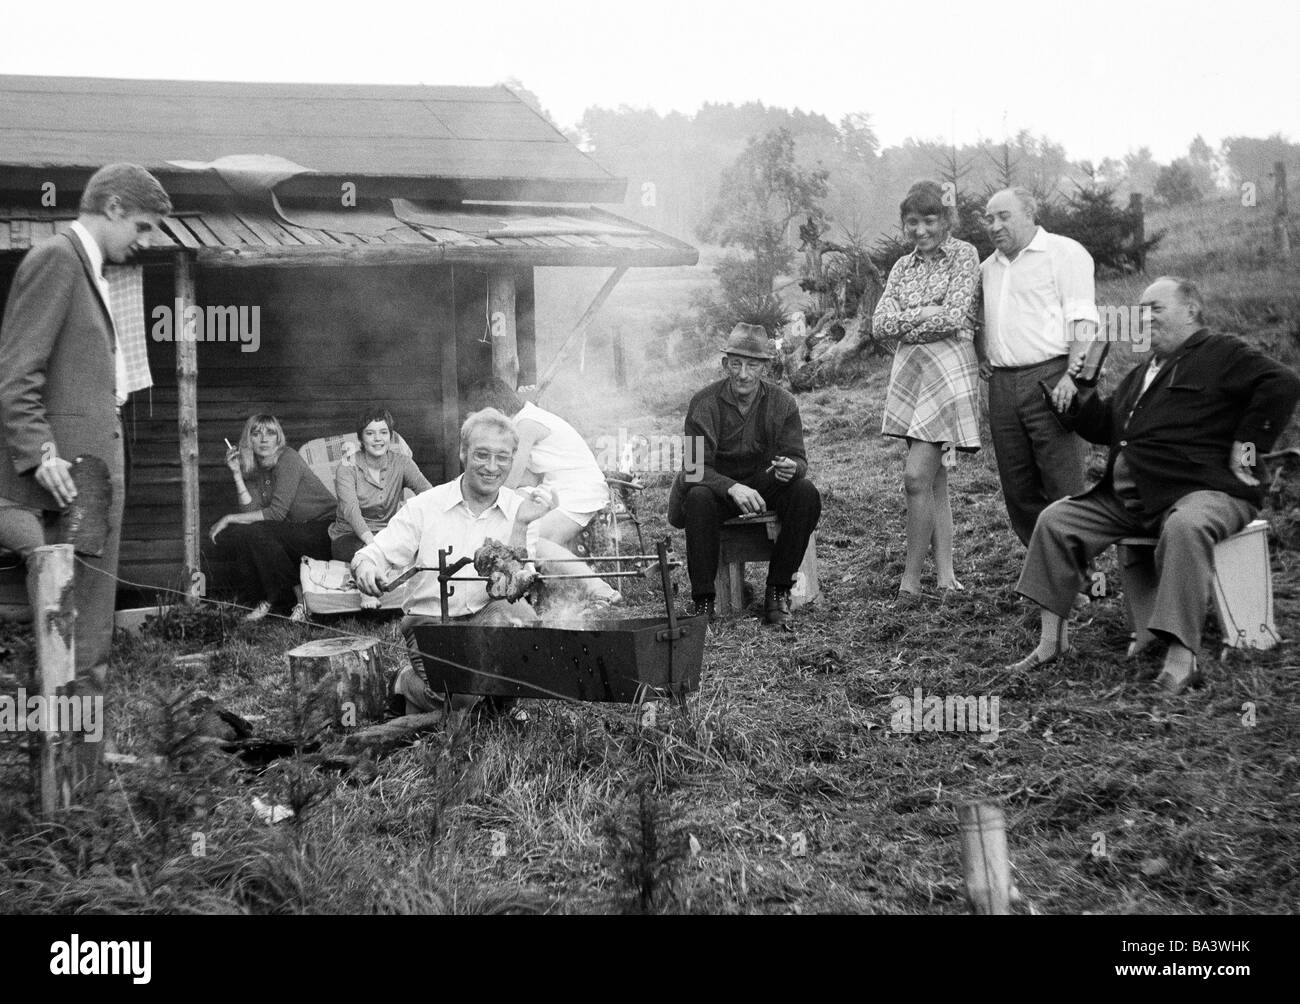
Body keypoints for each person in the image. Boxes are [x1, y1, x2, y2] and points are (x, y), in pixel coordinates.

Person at [1008, 276, 1300, 694]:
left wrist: (1249, 442)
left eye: (1155, 308)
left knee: (1186, 526)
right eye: (1140, 310)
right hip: (1135, 497)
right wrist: (1081, 391)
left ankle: (1181, 660)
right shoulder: (1143, 373)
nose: (1143, 317)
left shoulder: (1221, 351)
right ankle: (1052, 642)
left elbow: (1284, 382)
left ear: (1191, 310)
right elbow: (1104, 428)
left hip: (1206, 492)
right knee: (1056, 519)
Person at [0, 164, 171, 761]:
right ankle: (68, 785)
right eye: (144, 227)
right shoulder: (56, 259)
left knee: (91, 637)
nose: (145, 242)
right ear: (115, 207)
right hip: (66, 488)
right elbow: (17, 376)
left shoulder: (92, 272)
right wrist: (38, 452)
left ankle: (82, 773)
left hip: (90, 486)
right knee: (70, 639)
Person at [351, 408, 613, 715]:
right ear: (463, 453)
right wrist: (367, 568)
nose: (492, 467)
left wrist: (520, 525)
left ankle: (492, 696)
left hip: (487, 612)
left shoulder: (521, 509)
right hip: (431, 619)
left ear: (513, 459)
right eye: (482, 455)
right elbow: (372, 554)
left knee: (522, 634)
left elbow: (514, 585)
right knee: (457, 695)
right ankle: (405, 682)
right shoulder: (426, 506)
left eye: (502, 457)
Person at [667, 322, 821, 627]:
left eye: (752, 365)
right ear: (725, 364)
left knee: (805, 493)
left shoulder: (783, 403)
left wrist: (792, 467)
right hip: (718, 490)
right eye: (736, 364)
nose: (743, 373)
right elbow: (695, 469)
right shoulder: (703, 403)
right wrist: (732, 487)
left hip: (764, 486)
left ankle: (777, 592)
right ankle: (704, 602)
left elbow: (798, 458)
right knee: (697, 498)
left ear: (765, 367)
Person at [874, 180, 982, 598]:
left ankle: (910, 582)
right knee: (935, 481)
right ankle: (945, 576)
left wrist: (912, 316)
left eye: (929, 219)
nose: (920, 230)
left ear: (946, 219)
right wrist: (928, 312)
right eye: (912, 222)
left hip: (948, 375)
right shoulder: (902, 267)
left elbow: (955, 316)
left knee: (915, 477)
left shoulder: (964, 255)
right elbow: (880, 325)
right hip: (913, 374)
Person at [979, 187, 1099, 545]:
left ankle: (1077, 573)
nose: (995, 225)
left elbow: (1083, 321)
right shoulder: (988, 268)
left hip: (1051, 379)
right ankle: (1044, 570)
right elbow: (977, 320)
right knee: (1018, 489)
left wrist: (1073, 377)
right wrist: (980, 356)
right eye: (989, 218)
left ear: (1030, 214)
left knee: (1062, 483)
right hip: (1002, 385)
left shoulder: (1064, 253)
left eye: (1004, 216)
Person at [209, 413, 336, 622]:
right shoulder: (254, 468)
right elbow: (251, 512)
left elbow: (276, 514)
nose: (264, 439)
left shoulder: (288, 458)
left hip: (326, 529)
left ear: (279, 438)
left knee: (256, 530)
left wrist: (228, 518)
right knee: (247, 533)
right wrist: (237, 474)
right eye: (256, 434)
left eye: (270, 433)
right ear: (248, 440)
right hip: (295, 532)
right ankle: (274, 599)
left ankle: (292, 601)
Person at [464, 378, 609, 549]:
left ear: (499, 413)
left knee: (530, 542)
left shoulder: (526, 425)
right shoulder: (525, 419)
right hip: (554, 487)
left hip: (579, 493)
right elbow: (527, 479)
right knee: (508, 517)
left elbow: (509, 482)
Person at [328, 406, 432, 563]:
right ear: (361, 438)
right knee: (371, 557)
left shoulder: (402, 463)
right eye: (370, 433)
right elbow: (351, 510)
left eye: (383, 432)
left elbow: (429, 495)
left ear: (390, 435)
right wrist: (374, 545)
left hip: (387, 535)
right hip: (350, 537)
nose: (378, 438)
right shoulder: (347, 467)